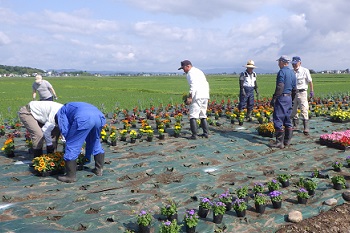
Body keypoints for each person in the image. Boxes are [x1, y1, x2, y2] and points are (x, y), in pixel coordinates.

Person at [55, 102, 106, 183]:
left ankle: (70, 176)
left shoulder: (60, 112)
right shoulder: (72, 106)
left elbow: (65, 129)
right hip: (99, 116)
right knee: (95, 141)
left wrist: (68, 141)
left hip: (84, 118)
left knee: (72, 145)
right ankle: (99, 170)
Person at [178, 60, 210, 140]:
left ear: (188, 66)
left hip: (197, 95)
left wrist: (190, 97)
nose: (183, 70)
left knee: (193, 115)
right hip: (205, 95)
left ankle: (194, 135)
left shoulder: (190, 73)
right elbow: (206, 83)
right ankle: (206, 133)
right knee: (203, 114)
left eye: (183, 68)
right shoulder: (199, 71)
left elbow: (193, 85)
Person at [270, 55, 296, 149]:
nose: (278, 64)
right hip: (289, 97)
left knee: (278, 118)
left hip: (282, 97)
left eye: (279, 62)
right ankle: (287, 141)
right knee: (287, 119)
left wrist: (275, 97)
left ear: (282, 62)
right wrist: (291, 99)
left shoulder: (281, 72)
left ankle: (279, 142)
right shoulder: (292, 73)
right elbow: (294, 89)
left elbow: (280, 86)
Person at [290, 56, 314, 135]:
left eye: (296, 63)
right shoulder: (291, 72)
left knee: (304, 109)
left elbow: (310, 81)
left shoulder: (305, 71)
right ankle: (295, 125)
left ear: (300, 63)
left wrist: (311, 91)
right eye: (293, 64)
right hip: (293, 93)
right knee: (293, 110)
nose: (294, 65)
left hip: (302, 93)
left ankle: (306, 127)